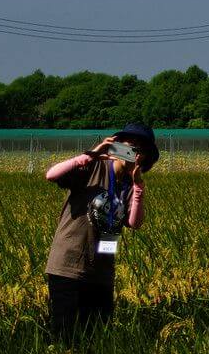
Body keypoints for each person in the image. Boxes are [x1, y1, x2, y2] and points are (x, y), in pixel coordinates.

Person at [44, 123, 157, 336]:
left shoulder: (131, 186)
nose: (133, 153)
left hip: (101, 272)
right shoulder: (93, 167)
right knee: (66, 337)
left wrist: (139, 186)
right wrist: (93, 153)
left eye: (139, 150)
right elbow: (52, 175)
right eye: (128, 147)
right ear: (116, 146)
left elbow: (134, 223)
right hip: (69, 265)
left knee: (97, 339)